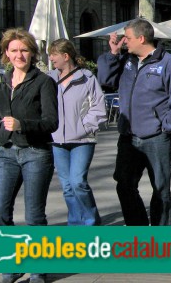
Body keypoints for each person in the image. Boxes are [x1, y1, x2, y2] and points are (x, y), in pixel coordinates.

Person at [0, 28, 58, 283]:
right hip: (6, 153)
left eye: (24, 50)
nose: (19, 55)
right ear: (6, 54)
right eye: (14, 50)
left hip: (36, 153)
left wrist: (23, 124)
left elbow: (52, 122)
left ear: (32, 53)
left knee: (34, 216)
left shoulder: (44, 82)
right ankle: (9, 266)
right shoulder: (0, 82)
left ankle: (38, 269)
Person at [97, 19, 171, 226]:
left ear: (141, 38)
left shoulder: (168, 63)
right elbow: (106, 80)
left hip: (156, 137)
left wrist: (167, 127)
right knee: (124, 184)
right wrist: (113, 54)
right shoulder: (127, 61)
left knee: (160, 189)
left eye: (128, 38)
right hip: (128, 136)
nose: (124, 42)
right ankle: (138, 229)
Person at [48, 38, 107, 226]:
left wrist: (84, 127)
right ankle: (74, 225)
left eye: (53, 54)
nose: (51, 58)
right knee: (66, 187)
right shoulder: (49, 79)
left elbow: (99, 108)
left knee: (78, 182)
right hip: (57, 140)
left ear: (66, 56)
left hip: (83, 140)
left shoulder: (87, 77)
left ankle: (90, 223)